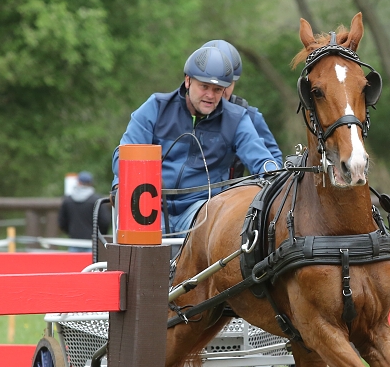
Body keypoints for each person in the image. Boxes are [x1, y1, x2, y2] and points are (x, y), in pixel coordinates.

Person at [111, 46, 281, 236]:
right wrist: (143, 180)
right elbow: (123, 156)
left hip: (200, 208)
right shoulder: (156, 106)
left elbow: (262, 159)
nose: (210, 95)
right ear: (188, 80)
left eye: (217, 89)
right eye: (204, 86)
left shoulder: (237, 118)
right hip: (150, 203)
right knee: (136, 224)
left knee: (218, 222)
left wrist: (272, 174)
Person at [200, 39, 283, 178]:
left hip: (230, 195)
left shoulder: (249, 116)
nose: (220, 90)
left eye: (227, 83)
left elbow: (273, 160)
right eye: (207, 84)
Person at [58, 171, 111, 252]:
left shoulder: (67, 200)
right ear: (90, 183)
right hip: (92, 242)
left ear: (78, 182)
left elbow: (62, 222)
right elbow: (105, 221)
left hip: (73, 241)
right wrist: (99, 234)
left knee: (74, 264)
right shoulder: (96, 200)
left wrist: (71, 232)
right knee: (91, 264)